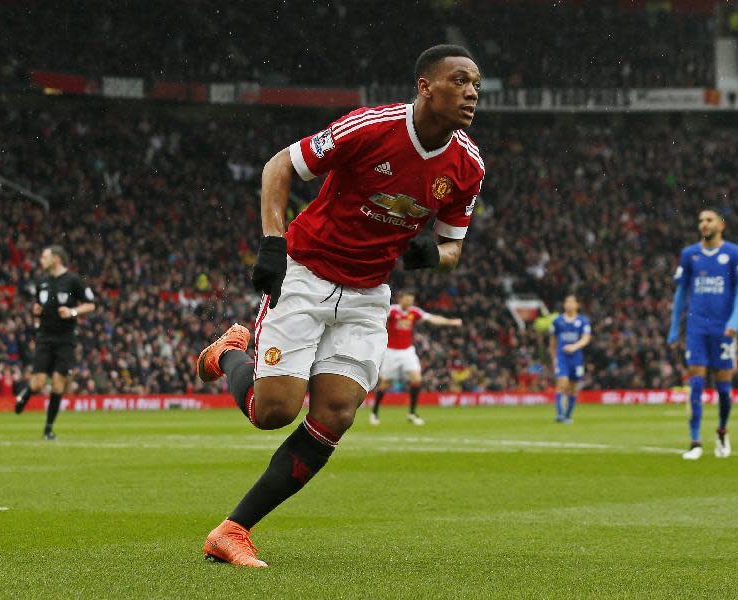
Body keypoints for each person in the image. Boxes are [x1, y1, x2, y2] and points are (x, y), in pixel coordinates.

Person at [195, 44, 484, 567]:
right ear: (425, 86)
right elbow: (280, 165)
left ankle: (233, 530)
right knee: (273, 413)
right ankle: (231, 352)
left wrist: (430, 254)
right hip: (307, 274)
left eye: (477, 86)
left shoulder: (467, 165)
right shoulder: (371, 127)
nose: (471, 93)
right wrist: (272, 241)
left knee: (336, 414)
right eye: (460, 81)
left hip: (369, 294)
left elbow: (453, 248)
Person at [667, 208, 738, 460]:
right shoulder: (689, 254)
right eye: (701, 220)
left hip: (723, 328)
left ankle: (722, 431)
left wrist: (734, 320)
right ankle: (695, 442)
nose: (704, 223)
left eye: (709, 220)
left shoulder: (733, 253)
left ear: (721, 225)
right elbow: (681, 293)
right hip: (697, 327)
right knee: (696, 383)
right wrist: (674, 329)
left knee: (724, 388)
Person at [14, 246, 96, 439]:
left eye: (44, 256)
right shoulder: (41, 282)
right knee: (38, 383)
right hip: (44, 337)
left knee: (59, 384)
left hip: (65, 340)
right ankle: (25, 395)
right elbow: (38, 307)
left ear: (57, 259)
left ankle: (48, 429)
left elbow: (91, 304)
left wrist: (72, 312)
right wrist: (36, 313)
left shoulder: (73, 280)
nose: (41, 259)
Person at [369, 290, 462, 425]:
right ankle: (374, 413)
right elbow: (378, 316)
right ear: (401, 299)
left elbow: (432, 319)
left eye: (411, 300)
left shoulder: (414, 312)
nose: (409, 303)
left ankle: (412, 413)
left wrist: (450, 322)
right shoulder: (393, 311)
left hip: (407, 351)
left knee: (417, 379)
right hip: (392, 352)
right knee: (385, 383)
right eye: (407, 300)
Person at [548, 294, 591, 423]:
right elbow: (552, 343)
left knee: (573, 388)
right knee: (562, 383)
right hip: (562, 358)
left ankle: (567, 415)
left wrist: (574, 346)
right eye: (567, 302)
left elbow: (586, 338)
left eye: (572, 302)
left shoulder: (583, 321)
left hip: (576, 359)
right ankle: (560, 414)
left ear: (577, 305)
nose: (569, 304)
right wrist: (553, 358)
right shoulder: (557, 321)